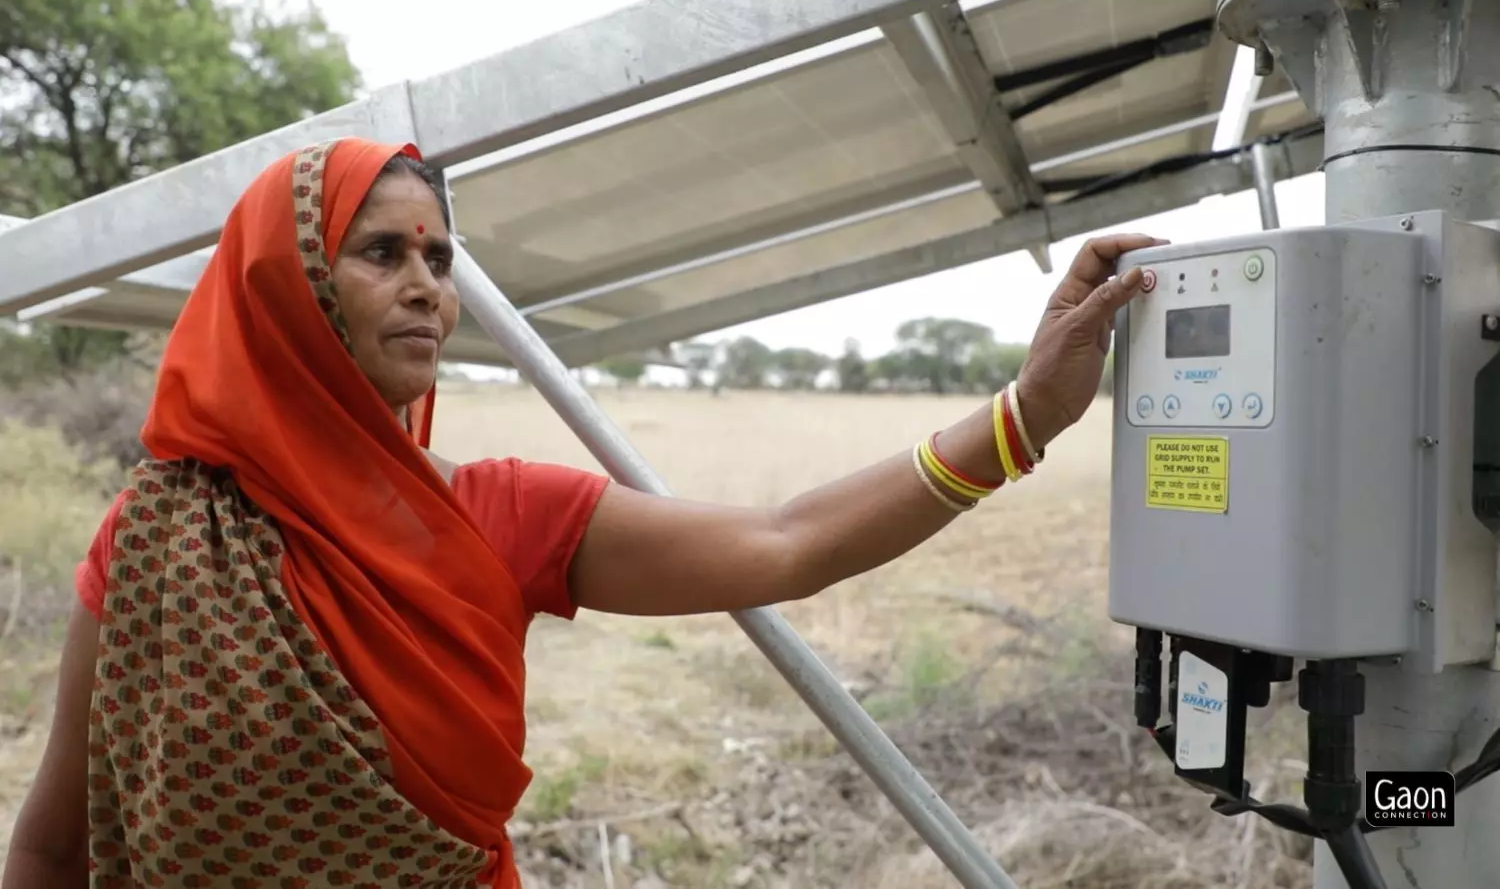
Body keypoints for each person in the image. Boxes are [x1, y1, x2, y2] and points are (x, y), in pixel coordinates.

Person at [2, 136, 1160, 888]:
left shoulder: (500, 518)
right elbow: (57, 839)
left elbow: (785, 544)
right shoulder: (160, 538)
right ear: (287, 284)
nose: (427, 286)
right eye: (381, 253)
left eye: (441, 259)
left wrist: (1028, 414)